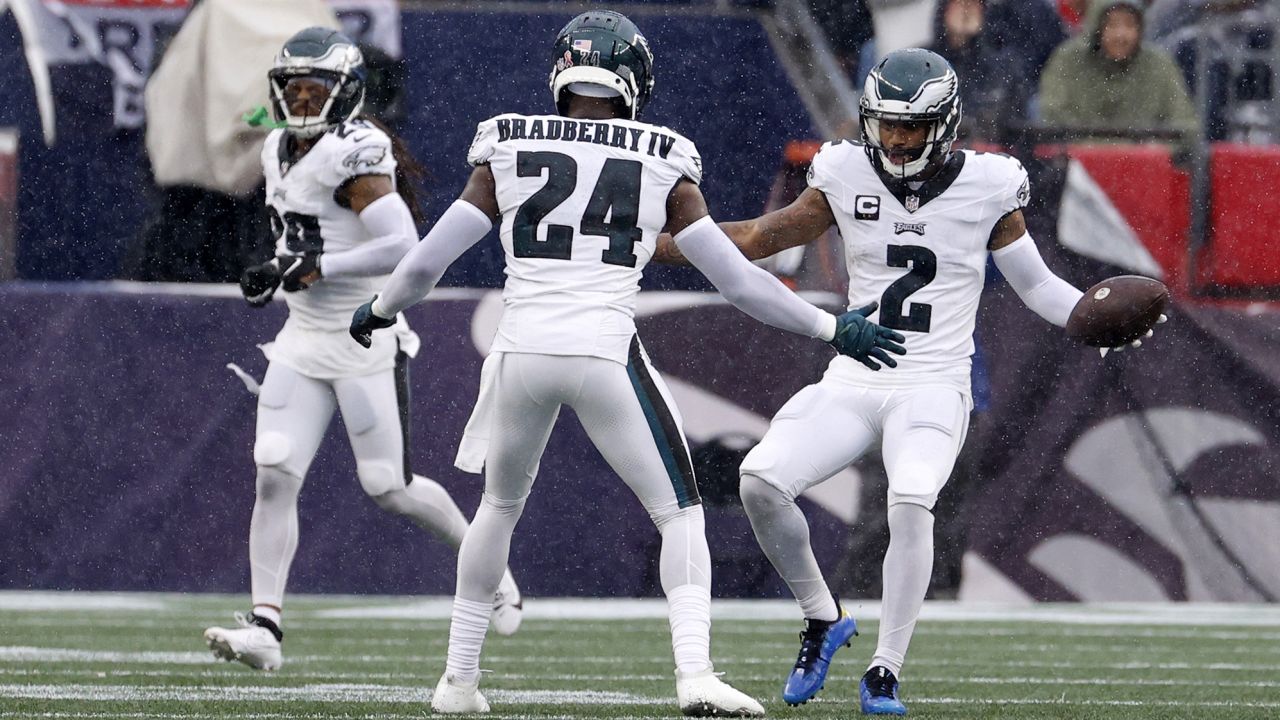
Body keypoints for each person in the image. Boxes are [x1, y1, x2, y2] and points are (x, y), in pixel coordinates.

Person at [348, 10, 905, 716]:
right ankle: (695, 673)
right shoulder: (660, 156)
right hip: (603, 351)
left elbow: (428, 259)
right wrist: (830, 326)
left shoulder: (508, 143)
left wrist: (379, 309)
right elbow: (737, 280)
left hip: (520, 351)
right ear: (634, 80)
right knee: (679, 514)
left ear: (562, 72)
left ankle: (457, 680)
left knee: (497, 508)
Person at [654, 48, 1163, 715]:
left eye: (911, 127)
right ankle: (823, 616)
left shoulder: (987, 184)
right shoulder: (842, 170)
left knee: (910, 498)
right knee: (760, 481)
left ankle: (885, 671)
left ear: (945, 123)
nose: (895, 139)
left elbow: (1035, 282)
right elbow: (758, 237)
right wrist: (657, 242)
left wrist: (1080, 314)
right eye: (887, 124)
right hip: (856, 376)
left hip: (933, 381)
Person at [202, 27, 523, 673]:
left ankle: (491, 570)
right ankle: (266, 627)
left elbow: (401, 243)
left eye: (315, 87)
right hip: (301, 336)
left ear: (345, 94)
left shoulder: (357, 150)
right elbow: (302, 238)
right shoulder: (276, 147)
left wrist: (313, 264)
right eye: (292, 86)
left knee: (387, 485)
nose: (301, 98)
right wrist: (283, 267)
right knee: (274, 470)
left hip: (361, 332)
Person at [1038, 0, 1201, 157]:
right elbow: (1053, 118)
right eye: (1112, 25)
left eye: (1129, 25)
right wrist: (1100, 151)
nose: (1121, 35)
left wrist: (1157, 151)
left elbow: (1186, 126)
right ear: (1098, 27)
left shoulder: (1160, 65)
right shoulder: (1068, 61)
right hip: (1078, 171)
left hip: (1148, 171)